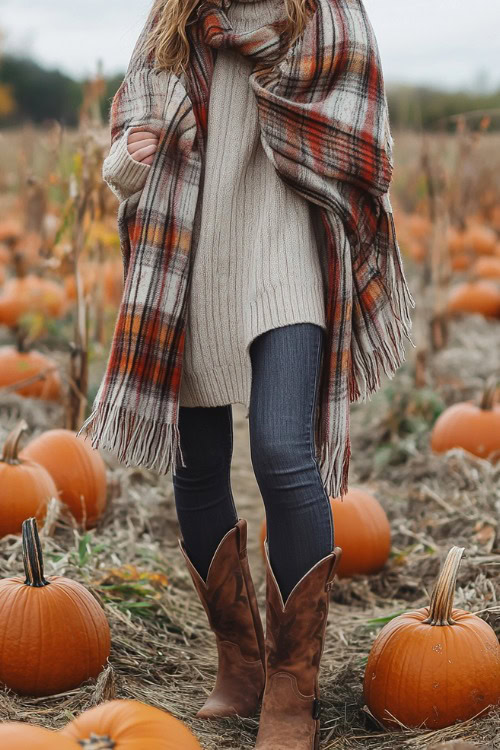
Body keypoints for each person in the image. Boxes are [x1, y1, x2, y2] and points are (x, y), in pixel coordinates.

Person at [97, 0, 411, 747]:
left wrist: (292, 121)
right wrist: (134, 155)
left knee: (281, 449)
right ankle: (239, 664)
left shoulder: (329, 16)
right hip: (192, 257)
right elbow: (123, 149)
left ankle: (290, 690)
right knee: (197, 463)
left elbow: (366, 139)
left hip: (286, 252)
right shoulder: (174, 21)